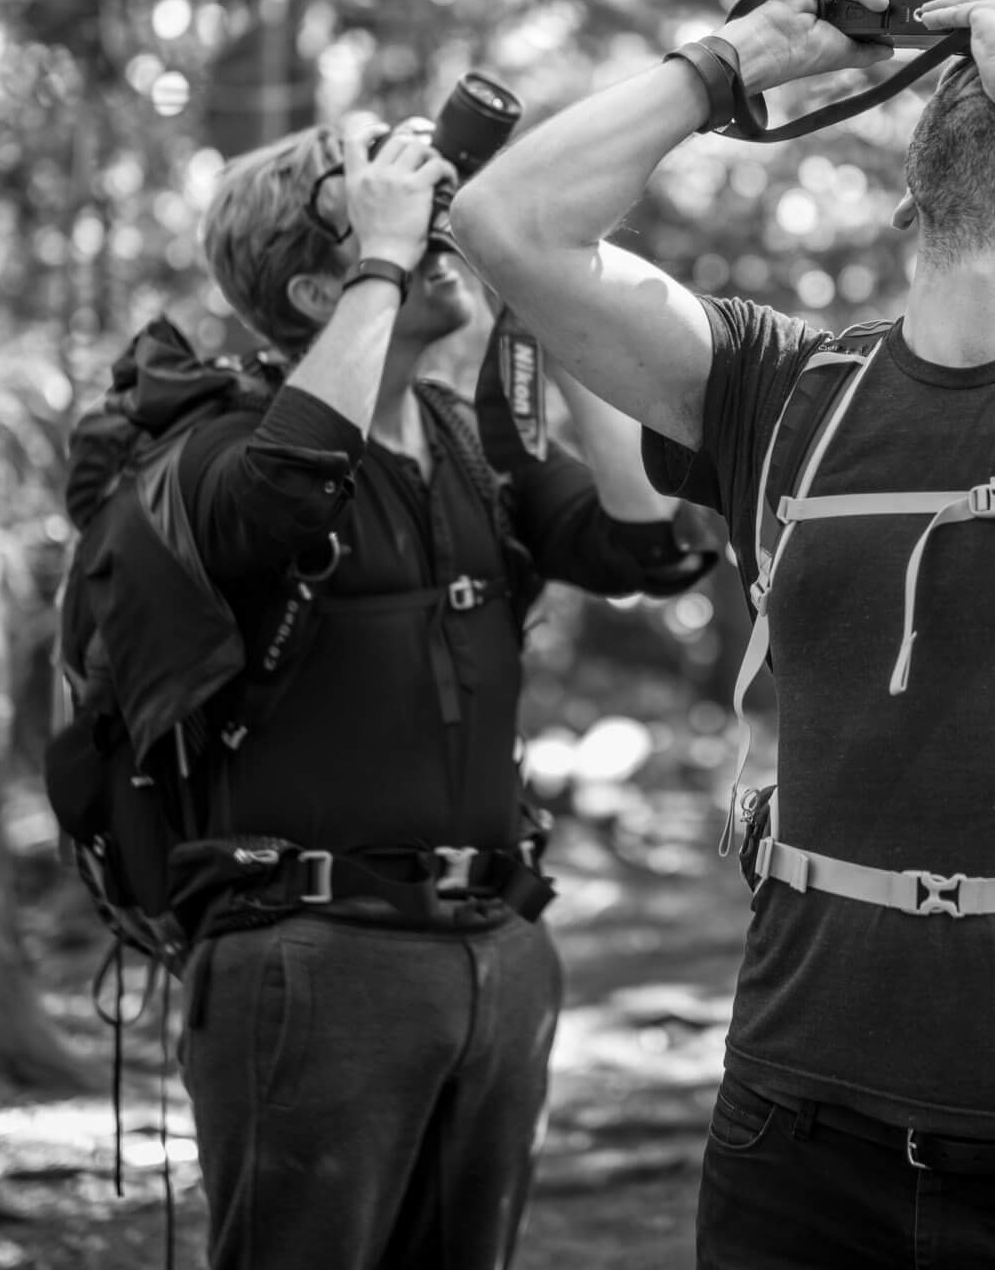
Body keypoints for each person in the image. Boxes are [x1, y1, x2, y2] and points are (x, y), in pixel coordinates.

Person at [450, 0, 995, 1267]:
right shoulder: (780, 395)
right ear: (911, 197)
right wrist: (741, 55)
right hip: (792, 1146)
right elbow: (504, 221)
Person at [167, 112, 710, 1269]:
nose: (412, 200)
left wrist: (549, 287)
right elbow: (284, 488)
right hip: (313, 964)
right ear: (323, 292)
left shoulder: (470, 444)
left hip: (495, 951)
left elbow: (645, 540)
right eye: (366, 194)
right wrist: (385, 252)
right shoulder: (214, 449)